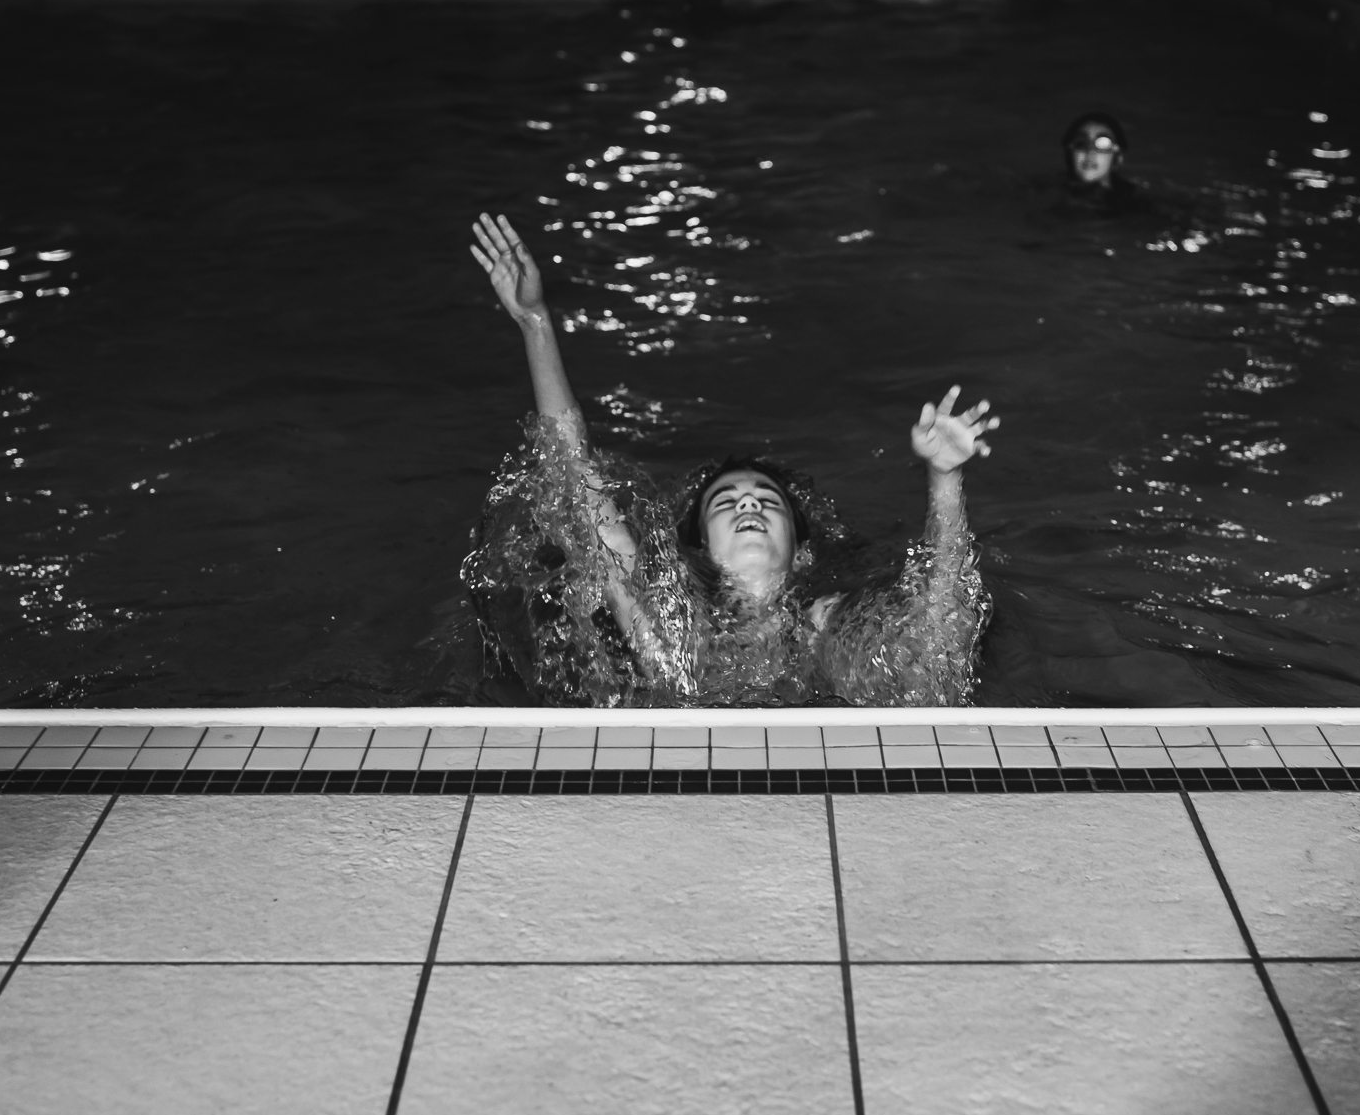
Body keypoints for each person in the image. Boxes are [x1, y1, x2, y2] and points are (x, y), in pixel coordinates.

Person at [461, 212, 998, 708]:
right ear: (696, 550)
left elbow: (934, 657)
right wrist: (535, 322)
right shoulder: (667, 625)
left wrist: (945, 480)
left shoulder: (825, 625)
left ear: (801, 551)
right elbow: (577, 482)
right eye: (727, 501)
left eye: (769, 501)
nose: (749, 502)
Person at [1061, 111, 1145, 214]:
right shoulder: (1049, 192)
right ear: (1070, 153)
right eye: (1081, 143)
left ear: (1118, 158)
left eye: (1103, 144)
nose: (1090, 151)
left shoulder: (1135, 205)